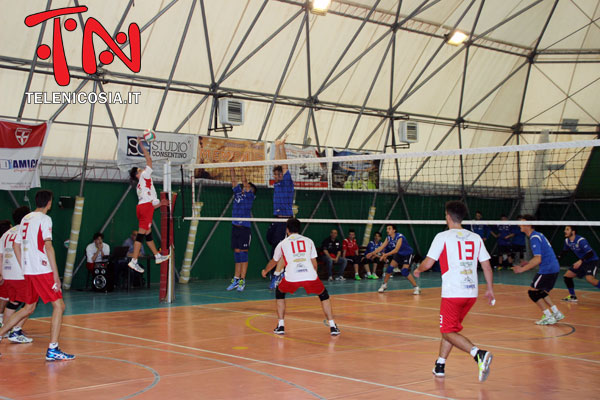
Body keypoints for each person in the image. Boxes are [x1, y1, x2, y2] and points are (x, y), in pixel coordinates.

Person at [414, 200, 494, 382]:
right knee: (451, 329)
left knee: (447, 331)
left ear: (448, 216)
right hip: (470, 294)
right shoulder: (475, 237)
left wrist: (418, 270)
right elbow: (487, 266)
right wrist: (489, 289)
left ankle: (478, 354)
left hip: (453, 293)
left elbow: (428, 263)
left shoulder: (442, 237)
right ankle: (440, 365)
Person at [0, 190, 74, 360]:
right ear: (49, 202)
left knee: (29, 307)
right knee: (59, 306)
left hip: (29, 271)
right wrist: (55, 274)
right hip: (42, 269)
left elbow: (17, 245)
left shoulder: (26, 219)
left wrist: (23, 265)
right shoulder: (45, 219)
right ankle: (53, 349)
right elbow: (48, 247)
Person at [261, 218, 340, 336]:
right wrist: (313, 276)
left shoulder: (282, 243)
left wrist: (265, 271)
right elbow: (314, 263)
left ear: (287, 229)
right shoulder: (309, 241)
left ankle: (281, 325)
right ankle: (333, 326)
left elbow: (274, 261)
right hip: (310, 275)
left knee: (280, 293)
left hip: (292, 276)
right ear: (299, 229)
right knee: (324, 296)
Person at [128, 136, 170, 273]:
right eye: (140, 169)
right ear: (138, 174)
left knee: (148, 235)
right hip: (145, 208)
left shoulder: (139, 187)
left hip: (143, 207)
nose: (143, 169)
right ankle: (134, 261)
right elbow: (149, 159)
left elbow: (150, 203)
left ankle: (157, 256)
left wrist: (161, 203)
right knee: (141, 235)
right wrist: (141, 143)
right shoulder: (145, 176)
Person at [512, 215, 564, 325]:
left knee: (532, 292)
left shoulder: (534, 237)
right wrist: (528, 263)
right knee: (541, 292)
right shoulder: (538, 235)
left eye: (522, 222)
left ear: (529, 224)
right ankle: (556, 312)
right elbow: (539, 256)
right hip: (553, 267)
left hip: (548, 268)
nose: (519, 224)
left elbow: (538, 259)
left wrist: (522, 269)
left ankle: (549, 316)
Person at [0, 207, 33, 344]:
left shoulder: (6, 233)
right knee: (31, 303)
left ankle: (6, 330)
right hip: (20, 273)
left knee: (13, 302)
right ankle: (16, 330)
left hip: (7, 273)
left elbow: (0, 255)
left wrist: (1, 272)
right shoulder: (25, 232)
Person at [226, 164, 257, 292]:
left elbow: (244, 182)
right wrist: (231, 166)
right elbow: (234, 181)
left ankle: (242, 280)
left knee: (243, 254)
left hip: (244, 228)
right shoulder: (238, 193)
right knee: (237, 253)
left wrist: (242, 167)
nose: (245, 187)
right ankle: (236, 278)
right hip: (235, 227)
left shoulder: (250, 197)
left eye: (247, 187)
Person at [367, 224, 420, 294]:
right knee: (389, 268)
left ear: (394, 230)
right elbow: (381, 247)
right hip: (398, 255)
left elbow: (396, 250)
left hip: (407, 254)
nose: (387, 230)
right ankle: (384, 285)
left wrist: (385, 255)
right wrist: (372, 253)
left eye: (389, 229)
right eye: (387, 229)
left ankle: (416, 287)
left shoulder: (400, 237)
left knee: (404, 271)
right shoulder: (388, 238)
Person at [266, 139, 294, 257]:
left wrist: (282, 147)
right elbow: (277, 164)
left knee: (281, 248)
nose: (275, 176)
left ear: (282, 174)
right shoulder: (277, 183)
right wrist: (276, 147)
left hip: (285, 220)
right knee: (271, 241)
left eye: (278, 174)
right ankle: (275, 272)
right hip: (276, 219)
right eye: (274, 174)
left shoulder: (286, 182)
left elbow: (284, 164)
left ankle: (279, 272)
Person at [560, 225, 600, 302]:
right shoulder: (567, 241)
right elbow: (564, 252)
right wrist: (556, 258)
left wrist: (580, 261)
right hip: (583, 261)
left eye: (567, 229)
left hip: (592, 261)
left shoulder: (581, 240)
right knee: (567, 276)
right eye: (565, 229)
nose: (565, 231)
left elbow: (590, 253)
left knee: (590, 279)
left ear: (573, 232)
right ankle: (572, 296)